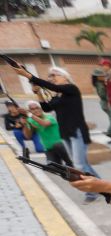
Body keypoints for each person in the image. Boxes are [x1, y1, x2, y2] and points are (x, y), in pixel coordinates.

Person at [14, 66, 101, 203]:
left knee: (78, 164)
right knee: (82, 164)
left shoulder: (71, 89)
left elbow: (51, 87)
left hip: (76, 131)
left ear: (64, 76)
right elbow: (47, 107)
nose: (51, 78)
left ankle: (93, 192)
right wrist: (38, 93)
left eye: (54, 75)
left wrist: (27, 75)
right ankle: (102, 186)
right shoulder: (58, 96)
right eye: (50, 76)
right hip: (65, 133)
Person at [21, 101, 73, 167]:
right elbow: (28, 136)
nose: (36, 110)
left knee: (57, 145)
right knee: (52, 167)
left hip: (61, 146)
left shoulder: (49, 116)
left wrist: (30, 115)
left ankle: (69, 163)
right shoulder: (30, 120)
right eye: (32, 109)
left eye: (37, 108)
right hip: (48, 148)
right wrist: (25, 124)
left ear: (41, 108)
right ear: (29, 111)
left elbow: (44, 124)